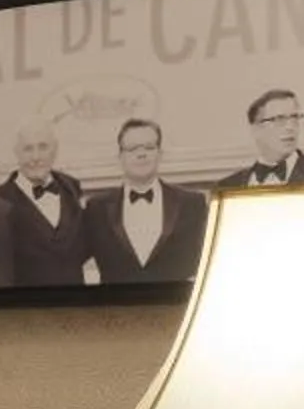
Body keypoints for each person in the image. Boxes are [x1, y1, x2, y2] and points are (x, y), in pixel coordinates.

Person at [84, 117, 210, 284]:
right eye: (132, 148)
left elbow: (211, 257)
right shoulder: (96, 208)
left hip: (176, 305)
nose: (141, 154)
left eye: (149, 147)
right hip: (116, 307)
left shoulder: (193, 203)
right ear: (120, 157)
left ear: (160, 154)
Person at [0, 119, 91, 287]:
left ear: (55, 149)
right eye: (28, 149)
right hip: (30, 308)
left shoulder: (71, 187)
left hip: (74, 303)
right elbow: (2, 273)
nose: (36, 157)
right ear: (16, 152)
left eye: (43, 147)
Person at [219, 88, 304, 186]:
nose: (290, 127)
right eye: (279, 119)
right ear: (256, 129)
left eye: (294, 117)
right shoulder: (228, 185)